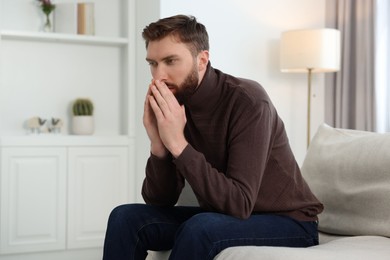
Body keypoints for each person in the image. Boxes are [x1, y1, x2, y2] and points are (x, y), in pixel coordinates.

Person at [102, 14, 323, 260]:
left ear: (202, 60)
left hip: (290, 222)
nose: (158, 76)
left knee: (200, 228)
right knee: (125, 218)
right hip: (224, 216)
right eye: (152, 63)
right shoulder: (176, 104)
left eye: (170, 61)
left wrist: (178, 144)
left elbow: (240, 204)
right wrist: (159, 147)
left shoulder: (248, 101)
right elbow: (159, 200)